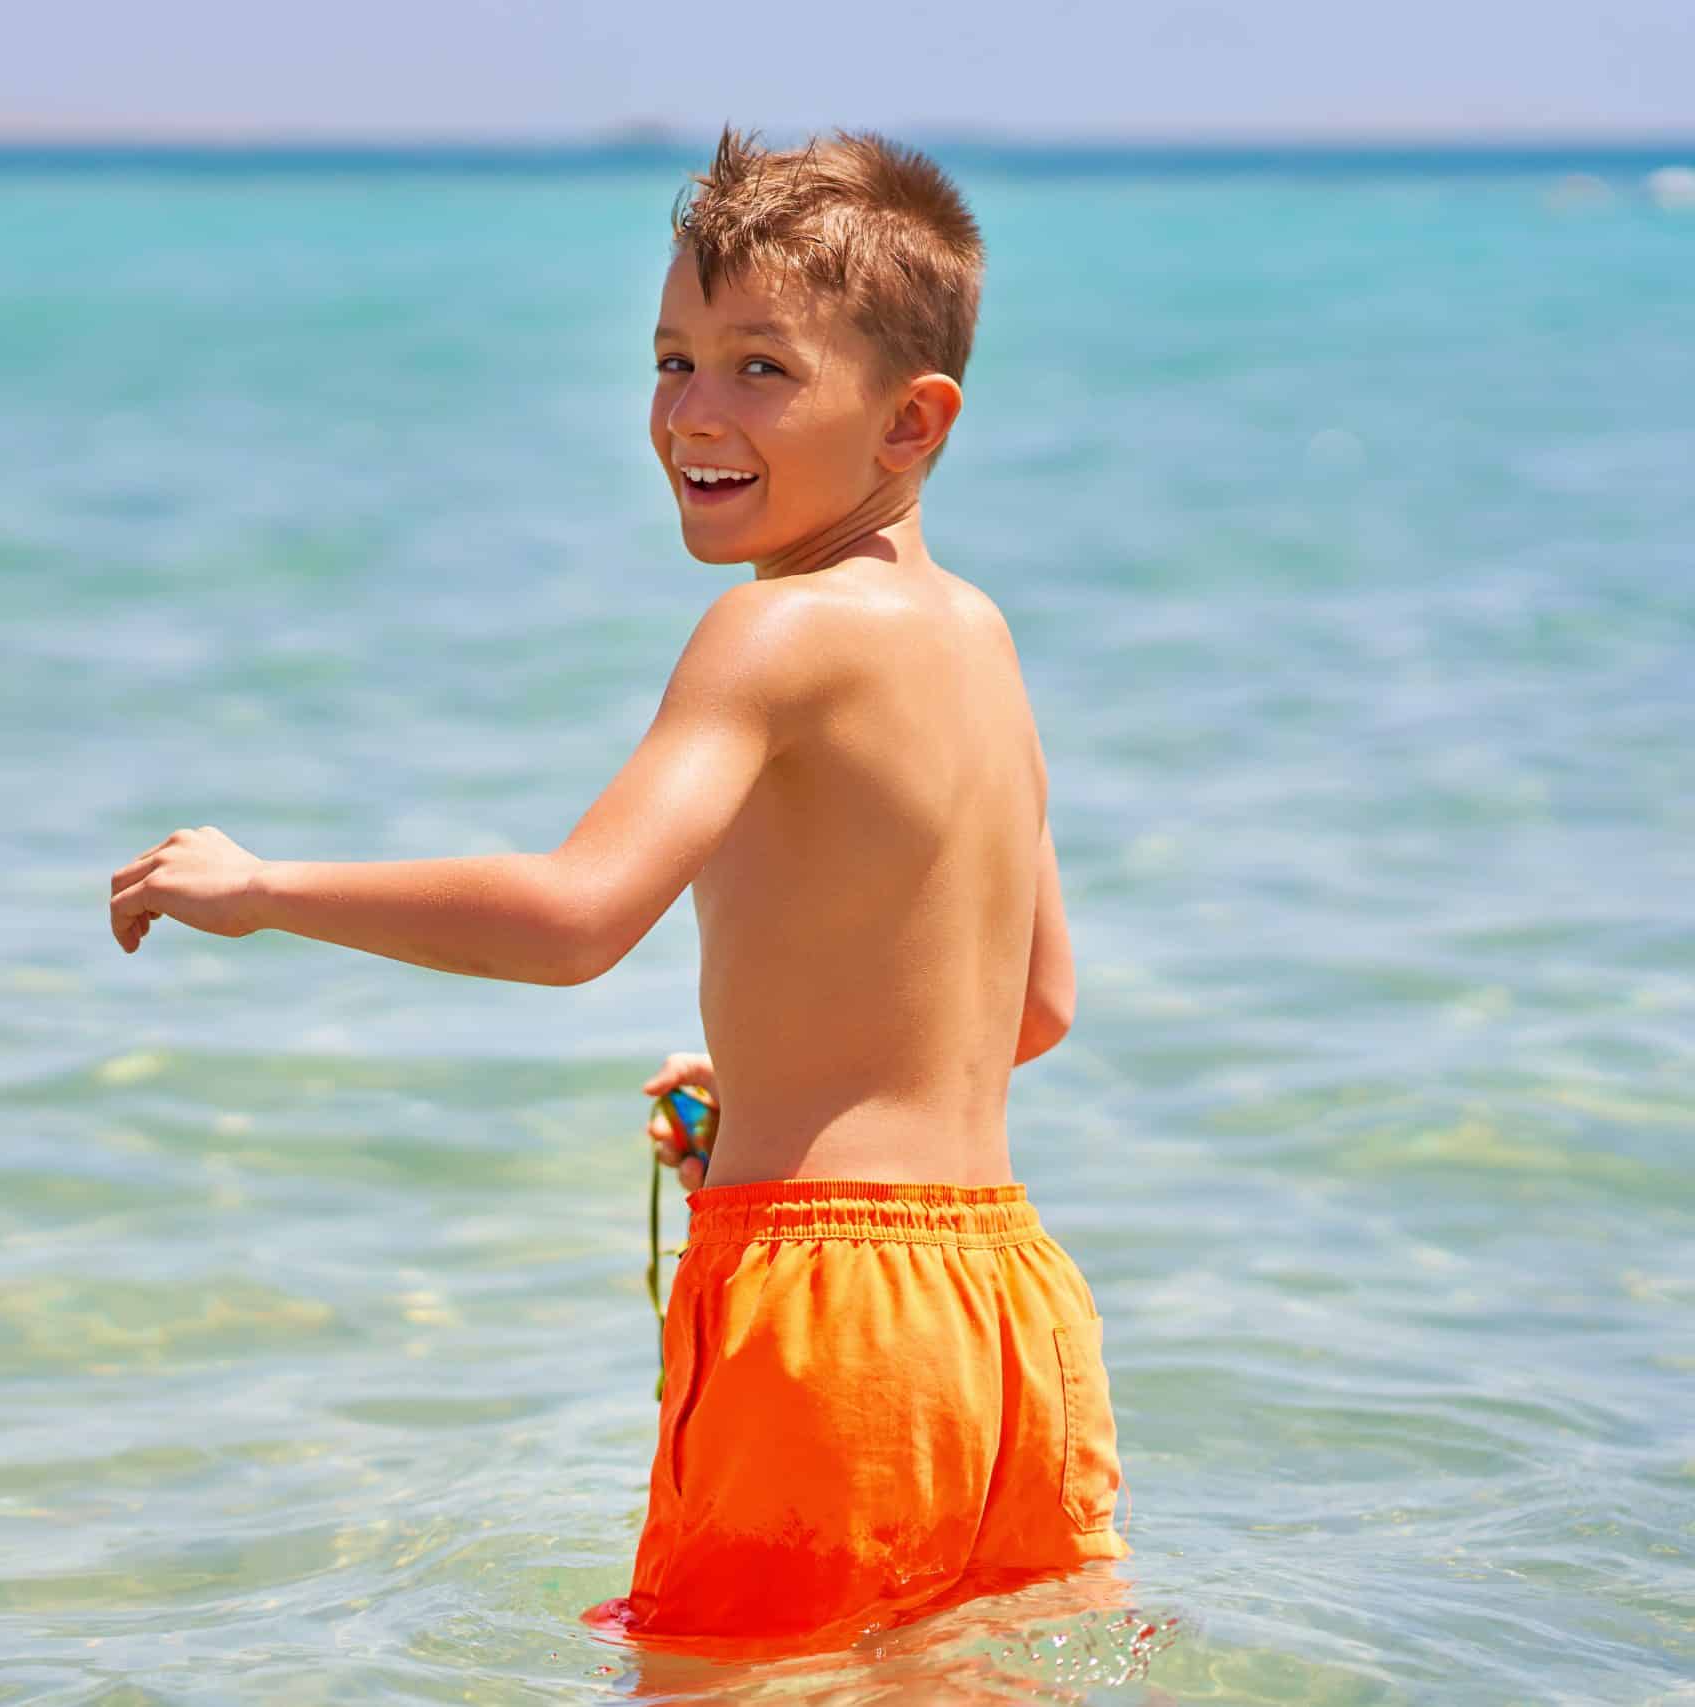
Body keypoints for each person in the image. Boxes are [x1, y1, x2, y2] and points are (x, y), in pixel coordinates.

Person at [106, 127, 1128, 1650]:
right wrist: (783, 1065)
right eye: (672, 360)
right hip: (1008, 1313)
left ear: (913, 422)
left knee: (735, 1679)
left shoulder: (771, 633)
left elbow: (583, 917)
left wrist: (266, 887)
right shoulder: (979, 639)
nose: (691, 415)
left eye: (760, 370)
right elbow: (1031, 1008)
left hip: (827, 1311)